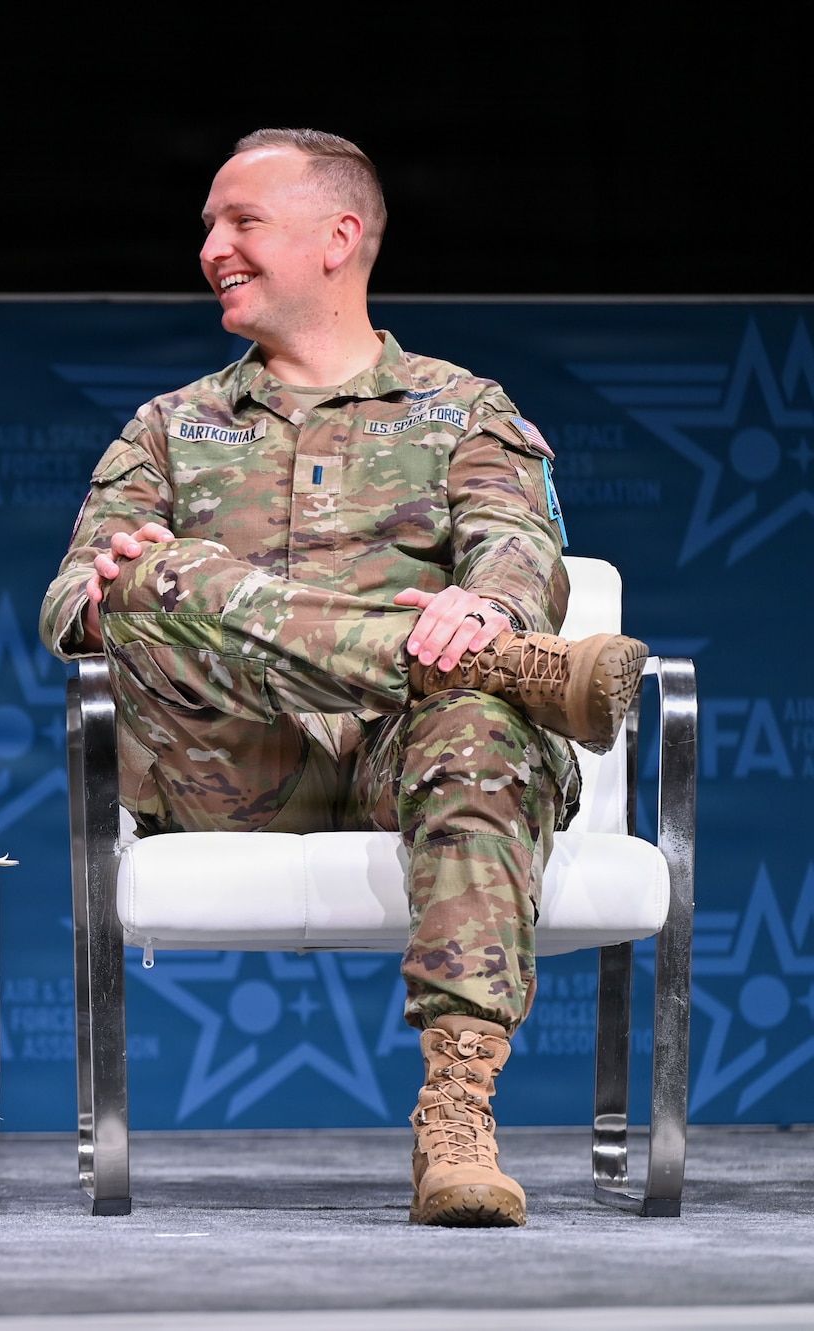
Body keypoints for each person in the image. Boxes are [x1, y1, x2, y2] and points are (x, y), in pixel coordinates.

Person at [38, 128, 646, 1228]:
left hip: (395, 760)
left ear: (338, 235)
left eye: (239, 222)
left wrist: (491, 611)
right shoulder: (170, 427)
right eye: (207, 228)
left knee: (477, 728)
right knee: (157, 574)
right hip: (221, 764)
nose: (211, 248)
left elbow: (518, 547)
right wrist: (122, 584)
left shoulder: (457, 406)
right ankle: (493, 672)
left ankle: (456, 1116)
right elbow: (68, 603)